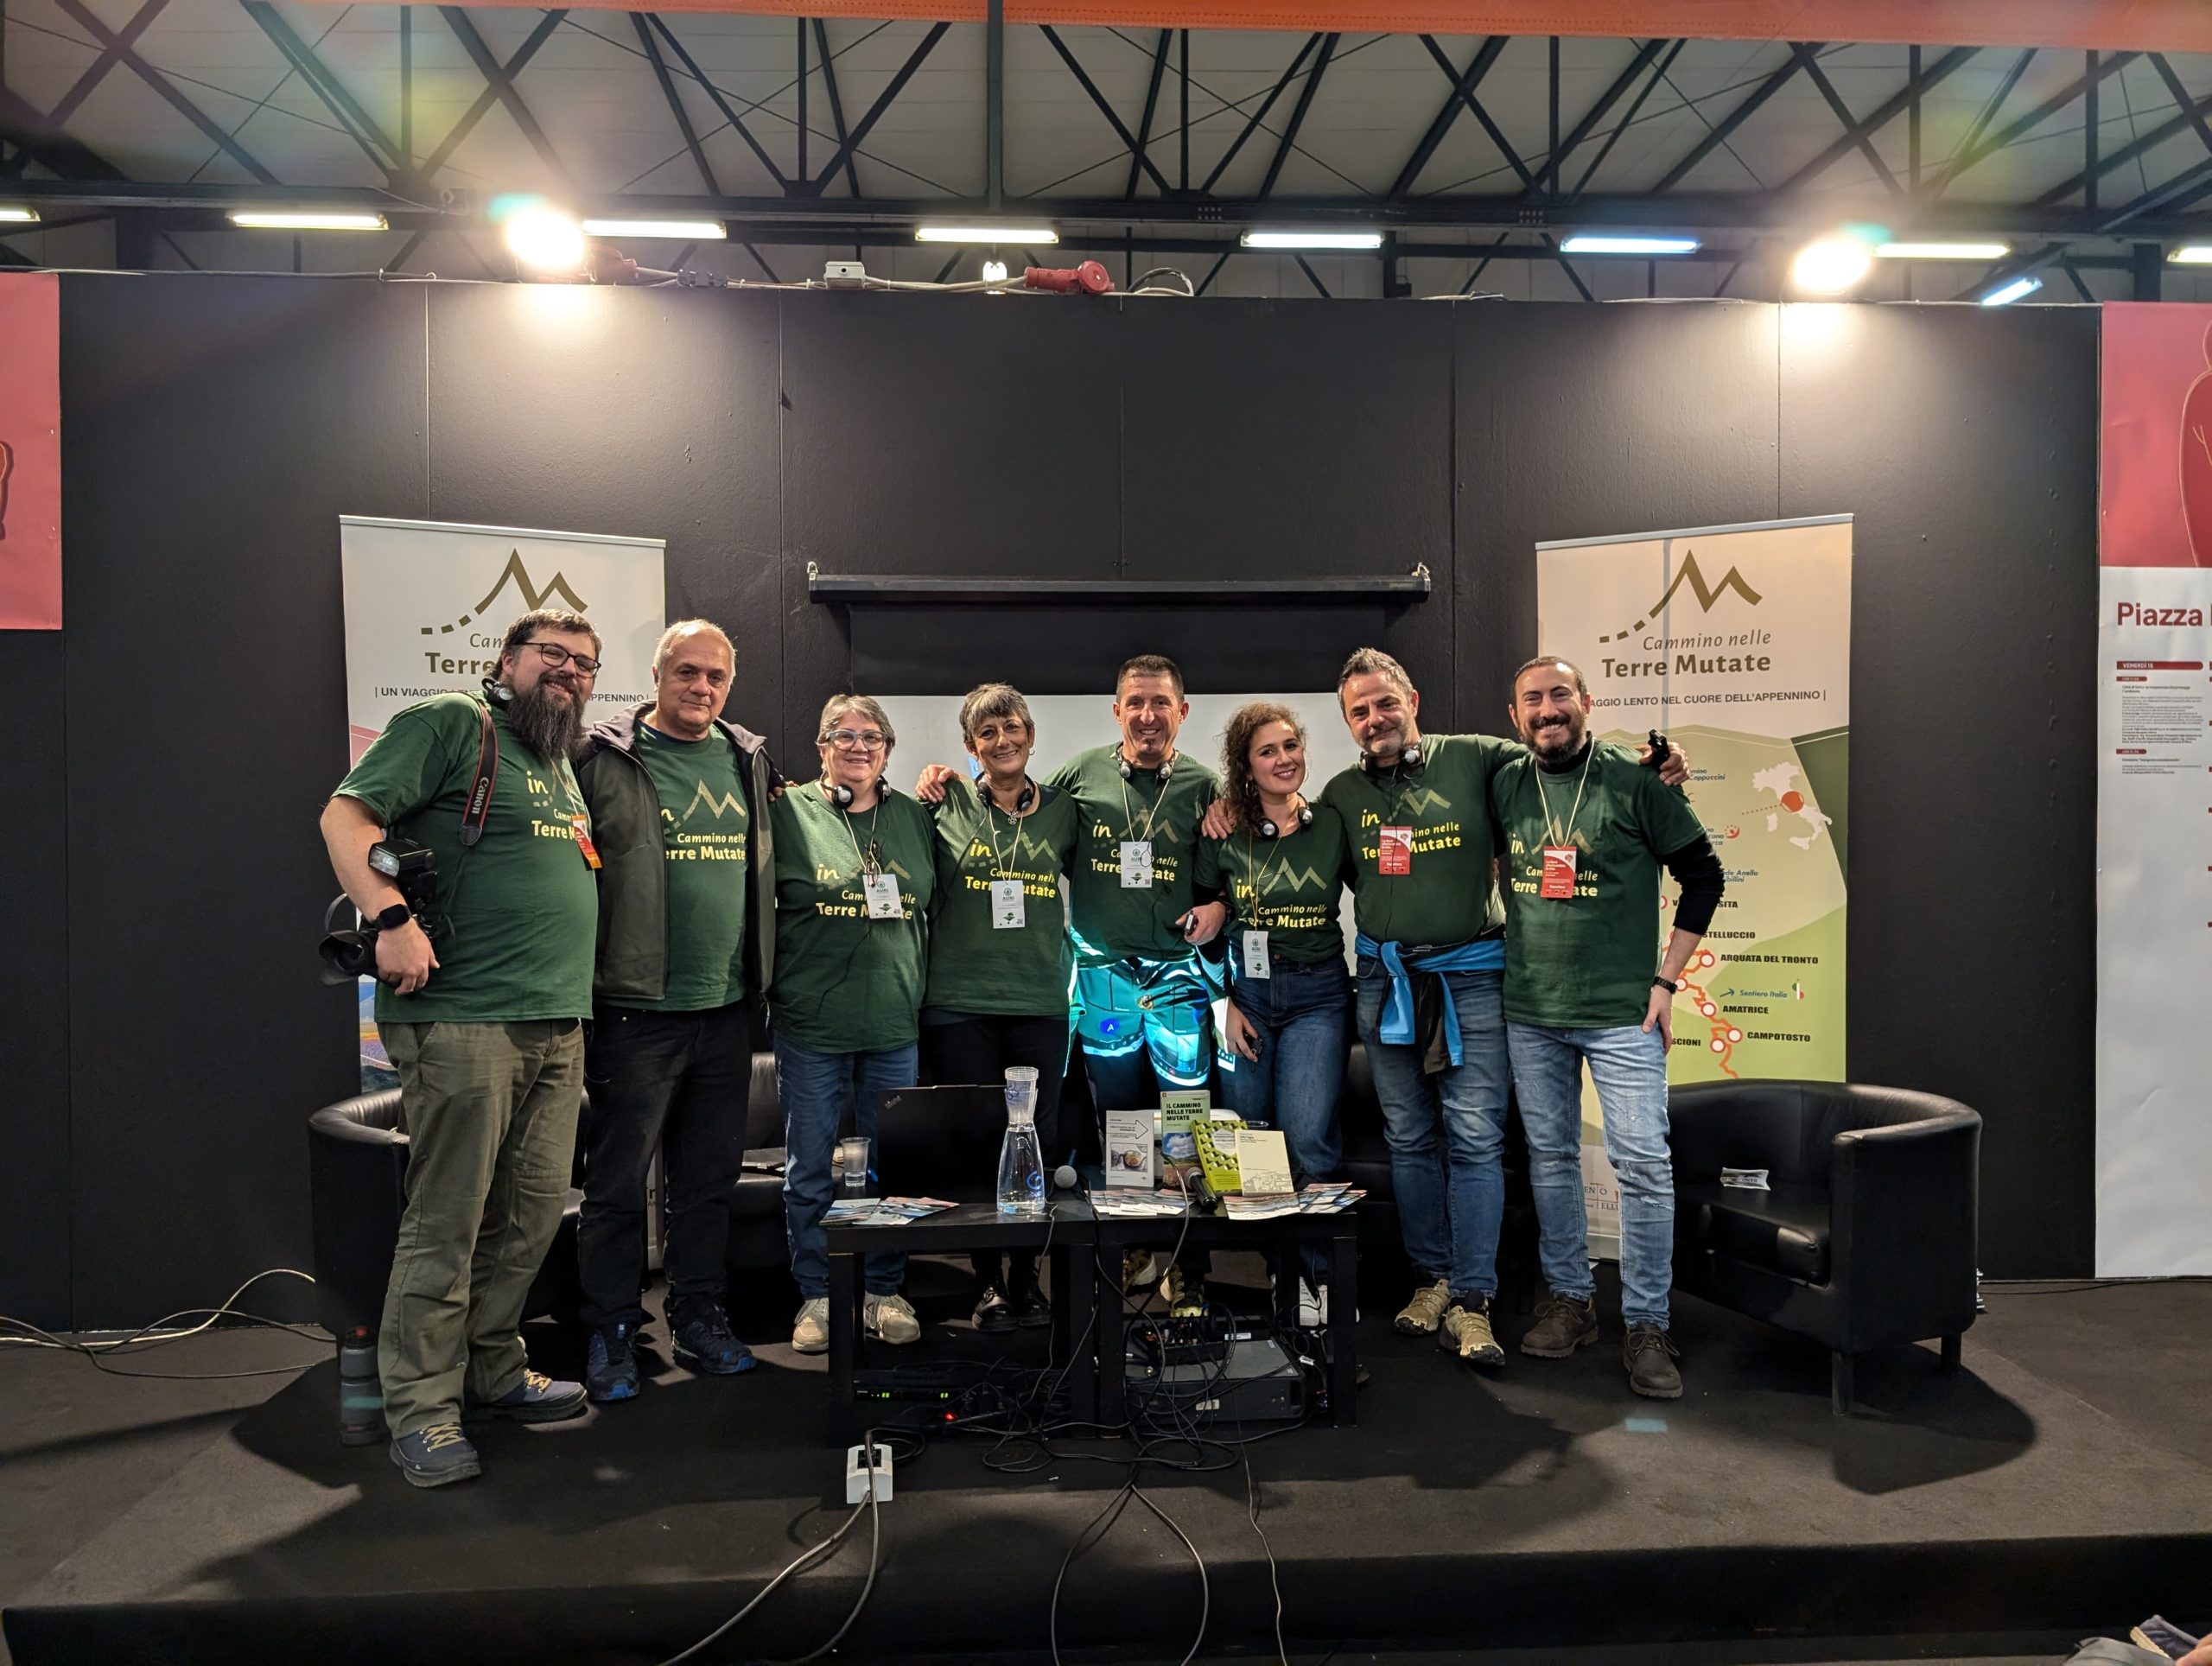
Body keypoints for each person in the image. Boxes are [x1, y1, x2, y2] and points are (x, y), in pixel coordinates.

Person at [1201, 648, 1688, 1369]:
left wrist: (1656, 764)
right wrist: (1227, 807)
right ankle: (1430, 1280)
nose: (1375, 718)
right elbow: (1288, 853)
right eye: (1360, 711)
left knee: (1475, 1139)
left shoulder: (1478, 758)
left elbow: (1564, 756)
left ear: (1413, 701)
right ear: (1347, 723)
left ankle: (1473, 1295)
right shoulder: (1339, 796)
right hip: (1384, 979)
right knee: (1407, 1137)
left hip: (1473, 979)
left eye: (1385, 703)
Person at [319, 609, 602, 1489]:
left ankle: (493, 1366)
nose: (569, 670)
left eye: (586, 663)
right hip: (465, 1017)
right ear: (507, 660)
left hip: (556, 1020)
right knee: (448, 1219)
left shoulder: (557, 759)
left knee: (528, 1216)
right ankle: (422, 1409)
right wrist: (391, 919)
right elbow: (345, 816)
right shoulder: (452, 721)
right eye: (552, 654)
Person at [919, 654, 1225, 1314]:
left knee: (1186, 1123)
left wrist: (1221, 902)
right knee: (1120, 1125)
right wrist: (943, 776)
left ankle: (1191, 1270)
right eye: (1135, 702)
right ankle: (1134, 1250)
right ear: (1117, 711)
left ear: (1182, 711)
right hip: (1100, 977)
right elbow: (1015, 803)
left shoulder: (1207, 786)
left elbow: (1227, 873)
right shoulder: (1076, 779)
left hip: (1177, 979)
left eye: (1161, 702)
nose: (1147, 715)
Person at [1493, 655, 1722, 1400]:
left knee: (1644, 1166)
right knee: (1551, 1159)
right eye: (1533, 700)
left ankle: (1648, 1322)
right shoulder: (1504, 782)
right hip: (1531, 1010)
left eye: (1560, 694)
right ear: (1515, 716)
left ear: (1586, 702)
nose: (1547, 709)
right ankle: (1571, 1300)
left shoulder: (1635, 779)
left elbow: (1705, 876)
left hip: (1624, 1012)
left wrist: (1667, 980)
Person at [572, 620, 779, 1402]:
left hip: (725, 1010)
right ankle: (612, 1330)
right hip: (634, 1012)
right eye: (687, 671)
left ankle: (698, 1316)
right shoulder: (602, 757)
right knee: (617, 1185)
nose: (701, 687)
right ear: (657, 675)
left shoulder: (748, 759)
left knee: (707, 1183)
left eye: (716, 676)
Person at [772, 693, 936, 1355]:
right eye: (844, 734)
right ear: (822, 747)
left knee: (892, 1167)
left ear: (888, 751)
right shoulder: (788, 812)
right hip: (811, 1025)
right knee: (810, 1169)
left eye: (872, 737)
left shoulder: (915, 818)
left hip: (894, 1023)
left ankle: (883, 1291)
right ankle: (817, 1294)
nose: (859, 746)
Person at [919, 684, 1081, 1333]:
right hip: (959, 1003)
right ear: (970, 746)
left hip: (1040, 1000)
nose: (1002, 740)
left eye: (1012, 727)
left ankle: (1027, 1279)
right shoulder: (944, 802)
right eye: (987, 733)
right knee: (977, 1142)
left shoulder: (1065, 811)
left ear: (1030, 735)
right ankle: (987, 1283)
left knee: (1036, 1139)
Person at [1196, 702, 1354, 1324]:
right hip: (1248, 999)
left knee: (1309, 1139)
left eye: (1291, 746)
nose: (1284, 759)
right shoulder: (1223, 830)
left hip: (1319, 996)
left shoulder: (1333, 825)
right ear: (1246, 767)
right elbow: (1200, 924)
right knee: (1253, 1141)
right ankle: (1273, 1276)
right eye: (1267, 751)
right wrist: (1222, 1004)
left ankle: (1317, 1280)